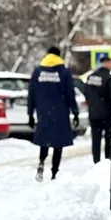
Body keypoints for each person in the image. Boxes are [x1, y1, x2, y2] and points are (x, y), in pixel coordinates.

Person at [28, 47, 79, 182]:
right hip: (60, 113)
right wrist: (75, 112)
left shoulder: (37, 72)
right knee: (58, 144)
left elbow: (31, 94)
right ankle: (54, 173)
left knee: (44, 140)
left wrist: (30, 114)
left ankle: (41, 163)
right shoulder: (64, 72)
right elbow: (70, 94)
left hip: (43, 113)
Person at [83, 56, 111, 164]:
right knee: (109, 138)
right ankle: (108, 160)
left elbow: (86, 93)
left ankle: (96, 161)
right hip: (107, 114)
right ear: (107, 63)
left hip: (93, 113)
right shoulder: (109, 78)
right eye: (110, 63)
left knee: (96, 139)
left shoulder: (90, 77)